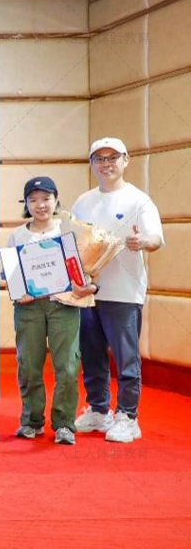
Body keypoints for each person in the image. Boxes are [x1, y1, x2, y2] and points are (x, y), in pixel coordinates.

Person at [72, 138, 165, 443]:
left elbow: (156, 238)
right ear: (92, 164)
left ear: (126, 160)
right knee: (91, 356)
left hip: (124, 292)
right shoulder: (83, 202)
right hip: (88, 293)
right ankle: (99, 410)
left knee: (126, 359)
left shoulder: (139, 200)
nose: (106, 164)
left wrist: (142, 242)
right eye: (99, 158)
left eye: (113, 157)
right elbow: (73, 242)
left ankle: (128, 416)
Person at [7, 177, 95, 444]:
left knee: (67, 365)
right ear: (26, 204)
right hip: (29, 308)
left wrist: (84, 284)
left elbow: (82, 269)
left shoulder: (68, 231)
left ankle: (64, 423)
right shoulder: (17, 235)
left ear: (56, 200)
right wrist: (18, 291)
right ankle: (31, 421)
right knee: (29, 365)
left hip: (63, 305)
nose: (40, 205)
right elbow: (10, 275)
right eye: (33, 200)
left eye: (46, 198)